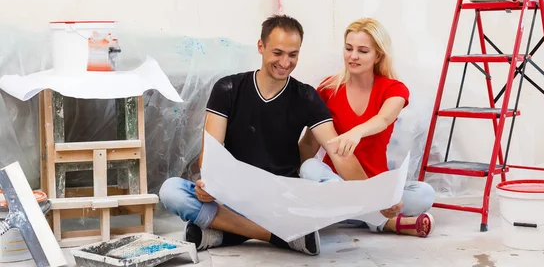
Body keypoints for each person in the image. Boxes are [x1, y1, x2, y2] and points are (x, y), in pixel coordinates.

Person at [158, 15, 403, 256]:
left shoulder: (306, 97)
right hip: (233, 195)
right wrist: (208, 185)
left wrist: (376, 199)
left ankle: (227, 232)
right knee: (171, 190)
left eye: (293, 54)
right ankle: (277, 236)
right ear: (261, 47)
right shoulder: (228, 88)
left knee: (319, 182)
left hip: (281, 199)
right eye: (277, 53)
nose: (285, 62)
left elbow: (339, 154)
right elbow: (211, 152)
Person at [298, 17, 436, 238]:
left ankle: (357, 213)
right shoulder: (327, 88)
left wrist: (355, 133)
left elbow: (383, 119)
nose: (353, 56)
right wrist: (292, 180)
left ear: (378, 55)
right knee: (309, 169)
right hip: (335, 183)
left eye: (362, 51)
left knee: (424, 194)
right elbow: (310, 142)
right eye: (348, 48)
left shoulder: (394, 89)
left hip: (374, 184)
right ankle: (382, 221)